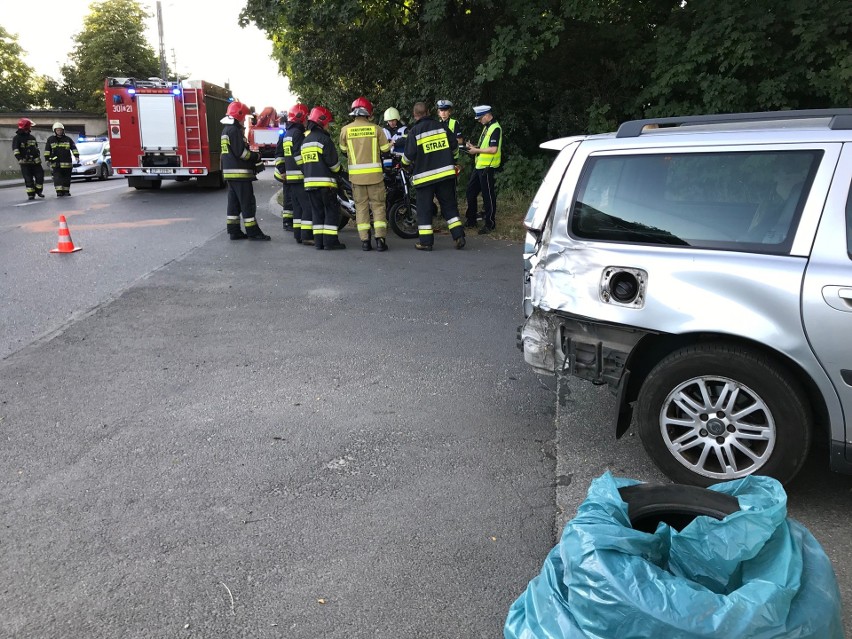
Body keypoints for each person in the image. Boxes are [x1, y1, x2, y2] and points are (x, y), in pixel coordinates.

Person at [401, 101, 466, 251]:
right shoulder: (442, 127)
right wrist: (453, 159)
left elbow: (407, 157)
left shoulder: (414, 132)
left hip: (424, 179)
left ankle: (426, 242)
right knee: (449, 206)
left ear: (415, 115)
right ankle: (458, 236)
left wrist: (404, 165)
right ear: (429, 111)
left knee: (424, 210)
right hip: (445, 175)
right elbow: (455, 147)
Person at [339, 96, 392, 251]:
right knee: (378, 207)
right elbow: (385, 150)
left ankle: (365, 242)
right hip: (375, 177)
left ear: (353, 113)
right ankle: (380, 241)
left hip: (356, 179)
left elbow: (343, 151)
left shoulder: (345, 130)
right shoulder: (377, 129)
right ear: (369, 113)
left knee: (361, 208)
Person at [220, 101, 270, 240]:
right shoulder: (234, 131)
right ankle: (253, 232)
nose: (244, 120)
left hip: (231, 174)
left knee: (234, 204)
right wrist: (256, 156)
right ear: (239, 114)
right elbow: (242, 153)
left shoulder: (225, 130)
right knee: (247, 203)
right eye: (244, 117)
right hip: (240, 174)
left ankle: (234, 231)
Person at [301, 106, 345, 250]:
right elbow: (333, 165)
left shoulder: (305, 141)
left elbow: (302, 165)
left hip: (309, 184)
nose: (328, 126)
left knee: (317, 213)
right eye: (328, 123)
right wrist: (340, 171)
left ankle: (319, 242)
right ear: (322, 122)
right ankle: (330, 242)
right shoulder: (324, 140)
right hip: (326, 184)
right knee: (331, 211)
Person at [274, 103, 311, 243]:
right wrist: (307, 170)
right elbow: (296, 155)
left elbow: (283, 154)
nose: (307, 120)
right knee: (304, 205)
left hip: (291, 175)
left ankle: (297, 232)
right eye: (306, 117)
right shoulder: (297, 133)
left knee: (295, 205)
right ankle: (305, 235)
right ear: (300, 117)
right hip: (297, 175)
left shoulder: (288, 133)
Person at [464, 105, 503, 234]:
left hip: (487, 167)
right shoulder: (487, 127)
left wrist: (476, 150)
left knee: (488, 196)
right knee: (470, 192)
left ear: (487, 115)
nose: (479, 121)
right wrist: (473, 147)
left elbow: (493, 149)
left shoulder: (495, 128)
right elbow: (484, 146)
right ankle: (471, 220)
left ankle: (490, 224)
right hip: (479, 166)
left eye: (480, 118)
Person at [12, 118, 45, 200]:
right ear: (26, 127)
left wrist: (37, 156)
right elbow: (15, 150)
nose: (31, 128)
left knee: (40, 177)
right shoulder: (17, 138)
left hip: (35, 162)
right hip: (25, 162)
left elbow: (36, 148)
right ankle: (31, 194)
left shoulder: (32, 137)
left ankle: (38, 191)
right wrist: (19, 158)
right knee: (28, 179)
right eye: (30, 126)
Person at [44, 122, 79, 197]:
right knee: (57, 178)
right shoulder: (51, 139)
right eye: (58, 130)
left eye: (60, 130)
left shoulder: (68, 139)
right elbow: (47, 150)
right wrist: (47, 159)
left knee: (67, 178)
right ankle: (59, 191)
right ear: (55, 131)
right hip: (56, 163)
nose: (59, 132)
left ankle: (66, 191)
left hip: (67, 163)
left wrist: (76, 156)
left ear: (63, 130)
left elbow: (73, 148)